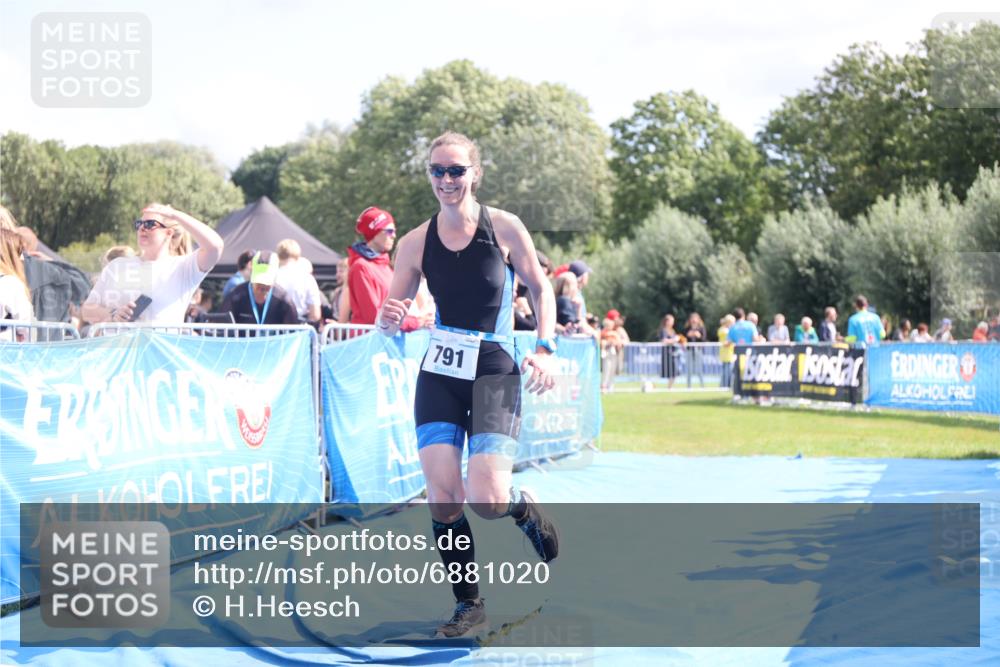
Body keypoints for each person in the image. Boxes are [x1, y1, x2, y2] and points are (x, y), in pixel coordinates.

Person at [376, 131, 558, 639]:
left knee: (486, 498)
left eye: (456, 170)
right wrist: (389, 317)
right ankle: (468, 604)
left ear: (475, 173)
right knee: (443, 496)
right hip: (440, 371)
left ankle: (522, 508)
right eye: (437, 171)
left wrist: (546, 347)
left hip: (495, 368)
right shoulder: (414, 242)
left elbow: (541, 289)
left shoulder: (503, 227)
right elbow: (392, 313)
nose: (447, 180)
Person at [82, 204, 223, 325]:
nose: (142, 228)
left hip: (159, 354)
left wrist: (175, 215)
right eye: (139, 224)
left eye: (150, 224)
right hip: (120, 353)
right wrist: (113, 314)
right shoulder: (117, 266)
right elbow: (87, 310)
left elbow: (215, 246)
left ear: (168, 233)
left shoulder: (183, 267)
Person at [222, 251, 299, 332]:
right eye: (258, 282)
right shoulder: (236, 296)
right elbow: (222, 329)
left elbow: (294, 334)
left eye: (267, 282)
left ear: (275, 278)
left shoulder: (284, 300)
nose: (262, 286)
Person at [347, 207, 396, 326]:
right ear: (374, 233)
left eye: (395, 231)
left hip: (387, 337)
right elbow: (374, 316)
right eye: (389, 231)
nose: (393, 236)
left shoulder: (387, 266)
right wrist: (415, 322)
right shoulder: (361, 267)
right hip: (369, 340)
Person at [274, 239, 322, 324]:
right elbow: (315, 314)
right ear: (298, 255)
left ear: (279, 255)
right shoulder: (308, 278)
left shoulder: (272, 276)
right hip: (299, 330)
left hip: (276, 328)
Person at [0, 227, 33, 341]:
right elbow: (25, 329)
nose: (23, 258)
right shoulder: (12, 285)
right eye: (19, 252)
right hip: (8, 354)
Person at [659, 313, 682, 390]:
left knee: (675, 371)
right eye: (671, 321)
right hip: (667, 353)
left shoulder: (672, 330)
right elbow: (664, 341)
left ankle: (670, 387)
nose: (672, 323)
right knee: (671, 371)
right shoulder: (663, 330)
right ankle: (669, 387)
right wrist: (674, 340)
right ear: (667, 321)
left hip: (674, 353)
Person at [684, 312, 707, 387]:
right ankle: (689, 386)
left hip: (698, 350)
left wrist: (699, 336)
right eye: (692, 319)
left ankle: (702, 385)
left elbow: (704, 339)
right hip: (689, 350)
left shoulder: (701, 328)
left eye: (695, 319)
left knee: (699, 369)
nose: (693, 320)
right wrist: (688, 335)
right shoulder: (687, 328)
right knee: (689, 369)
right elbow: (683, 339)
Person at [717, 314, 736, 388]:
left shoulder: (725, 330)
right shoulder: (724, 330)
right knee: (726, 371)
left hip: (729, 353)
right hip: (726, 353)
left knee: (727, 371)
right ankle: (724, 386)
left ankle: (725, 385)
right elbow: (728, 341)